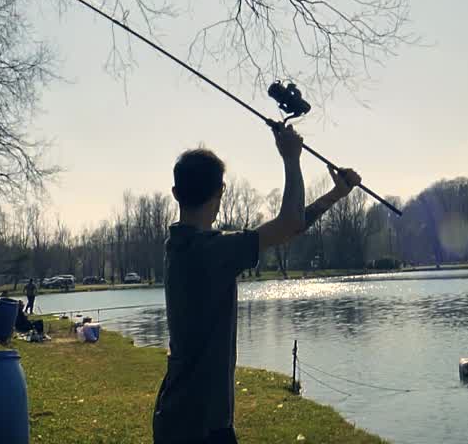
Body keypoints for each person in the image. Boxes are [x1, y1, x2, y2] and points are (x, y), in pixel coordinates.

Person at [152, 125, 360, 444]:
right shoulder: (209, 250)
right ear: (222, 191)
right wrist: (291, 158)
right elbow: (288, 225)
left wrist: (335, 195)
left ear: (176, 193)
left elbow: (287, 227)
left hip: (180, 418)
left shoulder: (182, 245)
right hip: (199, 426)